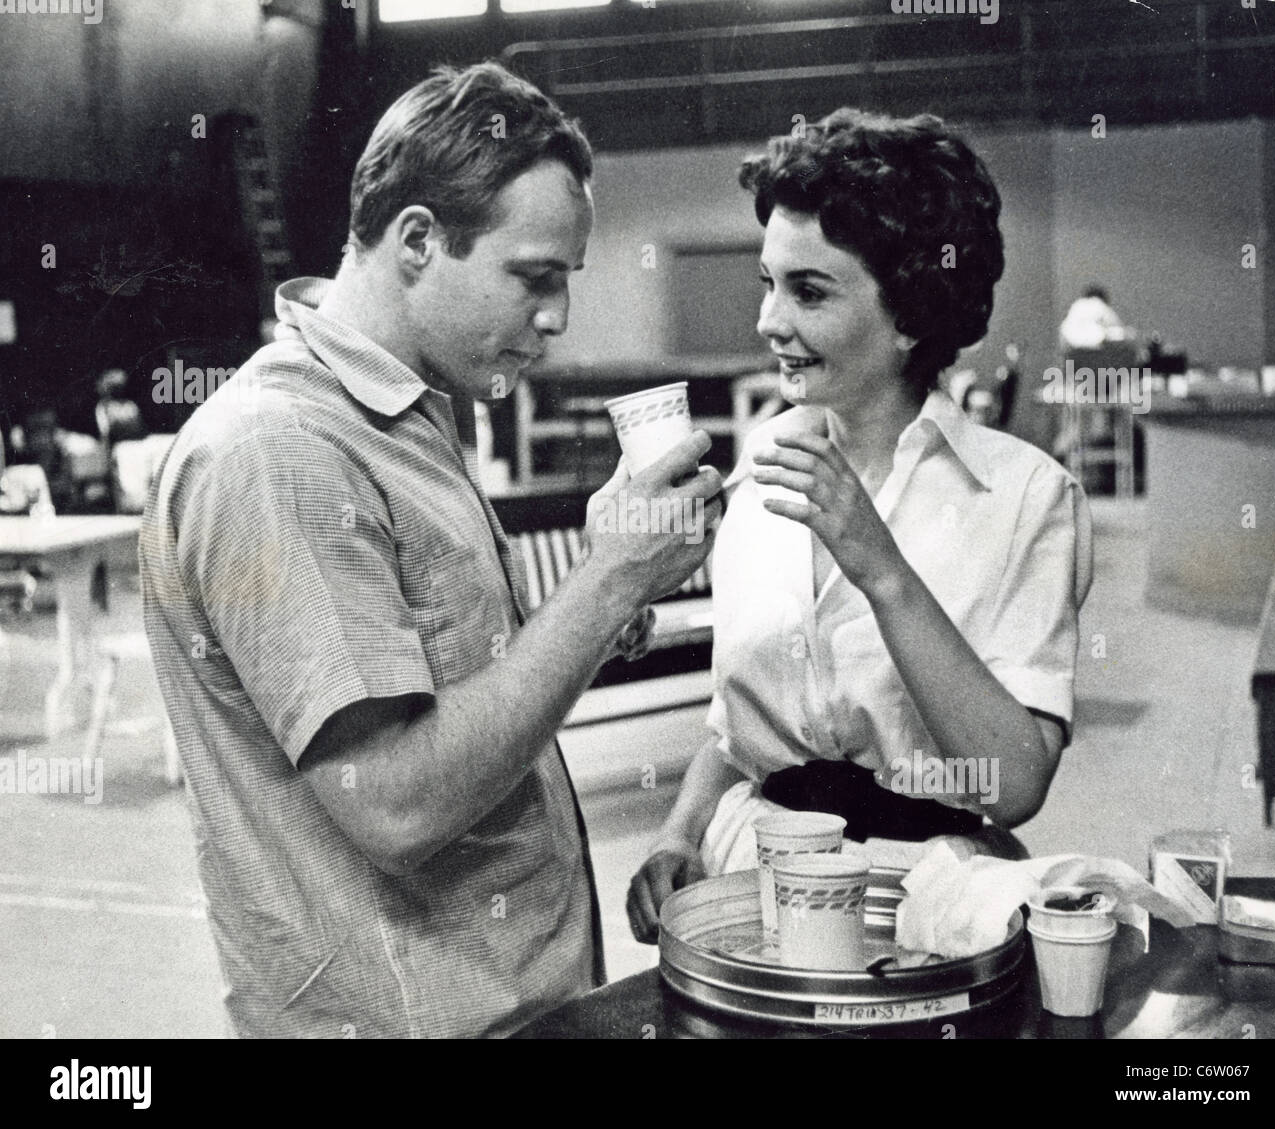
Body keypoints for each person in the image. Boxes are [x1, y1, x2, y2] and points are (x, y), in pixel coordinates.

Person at [139, 62, 722, 1037]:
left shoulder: (398, 415)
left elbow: (440, 675)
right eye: (534, 278)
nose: (557, 319)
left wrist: (597, 602)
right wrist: (610, 575)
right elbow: (397, 802)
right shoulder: (279, 454)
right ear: (416, 239)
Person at [627, 110, 1093, 943]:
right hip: (751, 874)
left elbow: (1017, 780)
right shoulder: (761, 459)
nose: (769, 321)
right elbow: (737, 727)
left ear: (912, 311)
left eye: (808, 290)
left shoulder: (1026, 495)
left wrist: (881, 568)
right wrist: (678, 831)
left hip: (926, 898)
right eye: (767, 283)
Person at [1058, 285, 1127, 352]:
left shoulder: (1077, 305)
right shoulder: (1099, 304)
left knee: (1069, 360)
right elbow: (1116, 324)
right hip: (1094, 348)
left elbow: (1063, 332)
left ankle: (1069, 363)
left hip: (1072, 352)